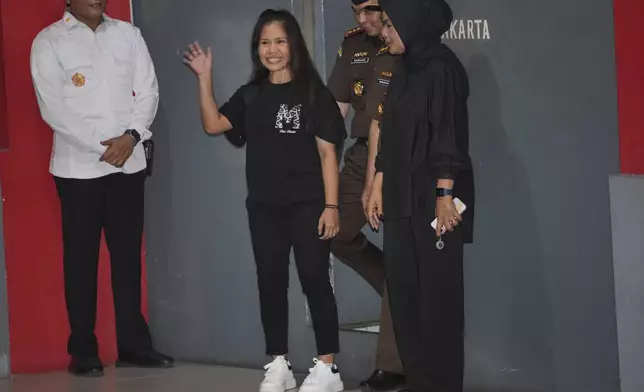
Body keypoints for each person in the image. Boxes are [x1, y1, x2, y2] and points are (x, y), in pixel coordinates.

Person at [183, 9, 346, 392]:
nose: (272, 50)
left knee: (314, 280)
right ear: (257, 48)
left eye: (279, 41)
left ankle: (328, 369)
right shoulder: (252, 93)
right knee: (270, 282)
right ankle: (279, 364)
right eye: (264, 42)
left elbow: (328, 155)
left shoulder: (313, 93)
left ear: (293, 46)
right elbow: (213, 123)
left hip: (309, 205)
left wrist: (332, 206)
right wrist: (204, 77)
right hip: (264, 207)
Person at [29, 0, 173, 377]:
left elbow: (148, 91)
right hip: (78, 169)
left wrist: (132, 137)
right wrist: (106, 147)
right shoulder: (49, 42)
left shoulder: (128, 35)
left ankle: (133, 345)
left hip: (130, 164)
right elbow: (53, 109)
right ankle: (83, 351)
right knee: (81, 260)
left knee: (127, 258)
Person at [367, 0, 475, 391]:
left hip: (434, 201)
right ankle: (418, 382)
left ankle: (442, 385)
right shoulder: (403, 69)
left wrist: (445, 194)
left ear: (413, 24)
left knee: (438, 301)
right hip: (399, 198)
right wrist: (378, 181)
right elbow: (390, 132)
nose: (384, 32)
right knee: (404, 294)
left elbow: (449, 135)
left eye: (391, 24)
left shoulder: (441, 69)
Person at [326, 1, 404, 389]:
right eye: (356, 10)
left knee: (405, 251)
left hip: (402, 157)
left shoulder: (407, 39)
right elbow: (333, 111)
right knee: (333, 229)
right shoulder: (354, 44)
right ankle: (399, 286)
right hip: (360, 154)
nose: (362, 20)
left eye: (370, 10)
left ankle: (391, 366)